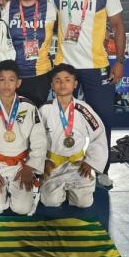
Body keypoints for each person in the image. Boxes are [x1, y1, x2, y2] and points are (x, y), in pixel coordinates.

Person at [42, 0, 126, 188]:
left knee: (102, 119)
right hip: (64, 67)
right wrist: (6, 0)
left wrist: (119, 61)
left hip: (96, 66)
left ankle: (101, 168)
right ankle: (58, 163)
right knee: (59, 119)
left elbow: (119, 26)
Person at [0, 60, 47, 215]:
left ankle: (19, 194)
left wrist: (30, 167)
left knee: (22, 209)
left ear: (18, 83)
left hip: (21, 166)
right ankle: (1, 192)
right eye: (2, 79)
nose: (6, 84)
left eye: (11, 80)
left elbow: (39, 141)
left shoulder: (29, 107)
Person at [39, 64, 108, 208]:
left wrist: (90, 162)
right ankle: (60, 189)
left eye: (67, 80)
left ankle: (77, 188)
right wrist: (42, 162)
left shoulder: (83, 109)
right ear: (52, 85)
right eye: (57, 80)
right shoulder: (44, 110)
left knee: (84, 203)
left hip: (77, 164)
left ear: (75, 84)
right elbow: (36, 139)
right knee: (50, 202)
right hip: (53, 164)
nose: (62, 84)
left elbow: (99, 135)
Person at [1, 0, 57, 107]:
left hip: (41, 76)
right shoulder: (7, 8)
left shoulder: (50, 8)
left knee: (38, 121)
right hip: (13, 77)